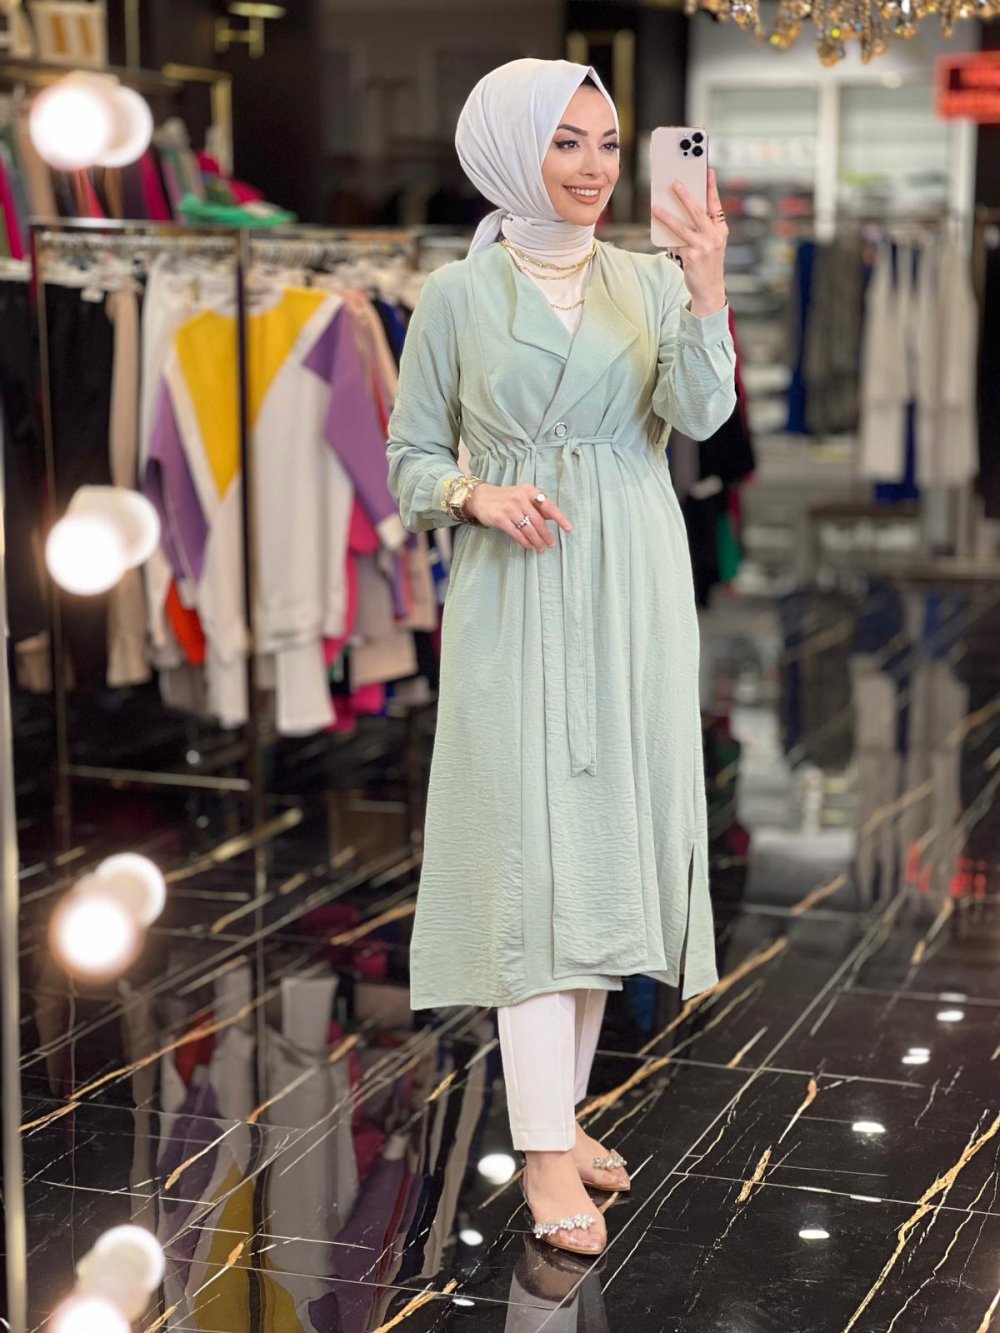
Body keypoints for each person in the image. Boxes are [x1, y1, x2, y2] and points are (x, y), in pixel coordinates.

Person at [386, 57, 735, 1257]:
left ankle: (560, 1114)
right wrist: (476, 496)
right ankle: (540, 1148)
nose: (593, 168)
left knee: (596, 854)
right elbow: (408, 460)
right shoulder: (456, 295)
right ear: (508, 147)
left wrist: (705, 284)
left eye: (609, 143)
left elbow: (701, 417)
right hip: (518, 588)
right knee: (530, 857)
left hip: (632, 579)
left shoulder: (647, 276)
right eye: (565, 141)